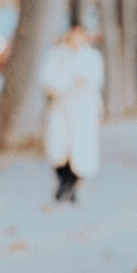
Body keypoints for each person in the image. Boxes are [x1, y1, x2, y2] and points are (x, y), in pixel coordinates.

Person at [39, 24, 104, 204]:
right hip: (61, 108)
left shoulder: (92, 56)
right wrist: (67, 84)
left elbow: (95, 79)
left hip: (83, 110)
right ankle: (63, 183)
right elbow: (48, 80)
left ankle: (73, 185)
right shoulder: (56, 55)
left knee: (81, 151)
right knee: (59, 149)